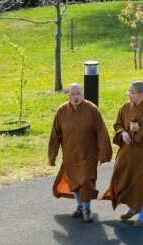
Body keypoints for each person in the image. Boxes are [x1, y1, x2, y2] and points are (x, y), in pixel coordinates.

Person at [48, 83, 112, 223]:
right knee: (75, 183)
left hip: (89, 154)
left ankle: (86, 210)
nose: (75, 97)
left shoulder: (91, 110)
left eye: (78, 94)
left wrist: (104, 153)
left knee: (86, 182)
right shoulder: (62, 111)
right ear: (67, 95)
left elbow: (101, 132)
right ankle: (80, 206)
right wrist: (52, 155)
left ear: (82, 94)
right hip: (71, 154)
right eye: (72, 94)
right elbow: (55, 135)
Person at [103, 80, 143, 227]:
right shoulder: (125, 107)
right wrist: (122, 132)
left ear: (141, 94)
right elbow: (117, 124)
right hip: (127, 152)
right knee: (126, 181)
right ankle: (132, 208)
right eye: (128, 92)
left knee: (142, 183)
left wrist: (140, 129)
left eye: (131, 92)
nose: (128, 95)